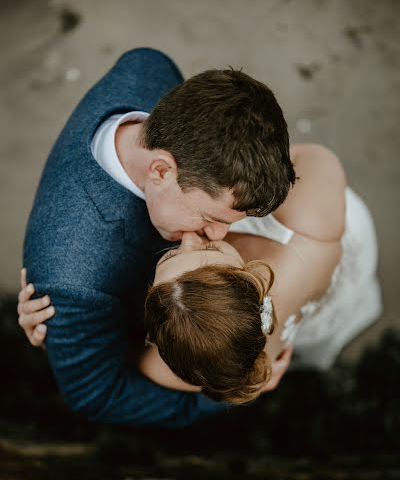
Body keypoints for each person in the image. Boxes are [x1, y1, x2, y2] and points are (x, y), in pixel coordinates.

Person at [20, 47, 296, 427]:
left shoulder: (149, 67)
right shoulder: (72, 282)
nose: (221, 236)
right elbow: (97, 396)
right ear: (161, 170)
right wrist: (228, 394)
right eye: (210, 218)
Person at [19, 139, 382, 406]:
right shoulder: (308, 234)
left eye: (170, 258)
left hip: (293, 326)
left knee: (315, 344)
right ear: (251, 279)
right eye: (209, 251)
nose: (190, 237)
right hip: (334, 242)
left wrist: (56, 329)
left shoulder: (194, 362)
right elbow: (316, 157)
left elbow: (109, 363)